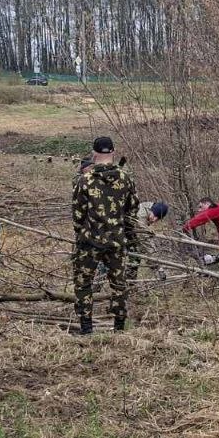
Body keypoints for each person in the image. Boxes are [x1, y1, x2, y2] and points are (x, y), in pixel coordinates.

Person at [72, 136, 139, 335]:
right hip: (117, 240)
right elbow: (132, 211)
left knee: (84, 282)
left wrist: (82, 233)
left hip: (90, 241)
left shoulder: (85, 180)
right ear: (113, 152)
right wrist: (125, 232)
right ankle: (119, 326)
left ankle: (86, 327)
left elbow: (77, 214)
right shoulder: (125, 178)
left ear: (94, 154)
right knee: (119, 284)